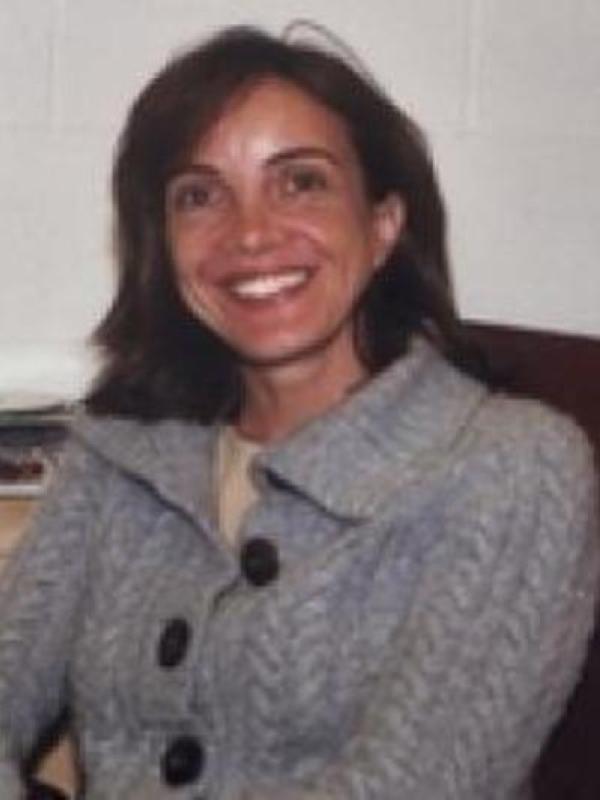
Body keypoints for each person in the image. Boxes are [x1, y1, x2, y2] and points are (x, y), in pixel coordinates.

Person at [0, 24, 598, 800]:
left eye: (301, 182)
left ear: (384, 224)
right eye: (200, 196)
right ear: (164, 244)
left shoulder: (514, 470)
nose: (249, 233)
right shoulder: (121, 454)